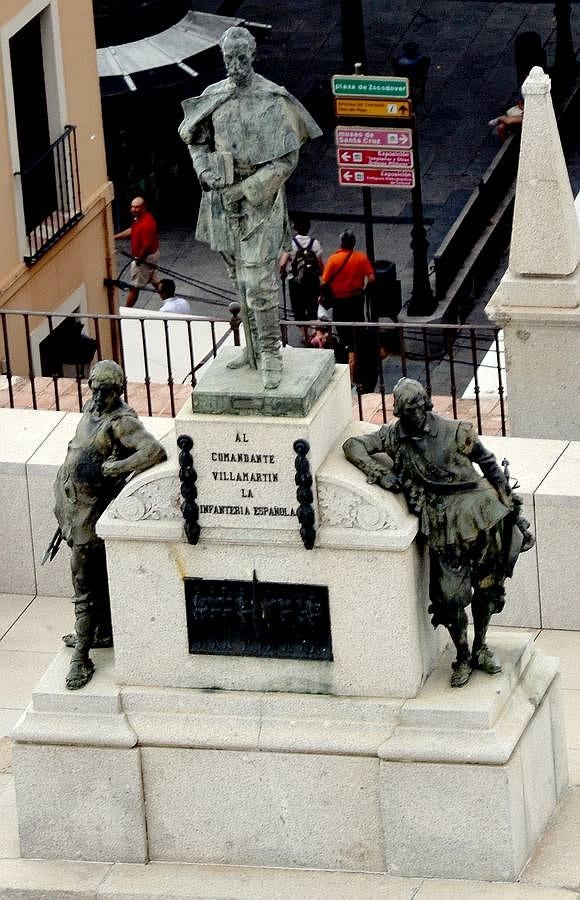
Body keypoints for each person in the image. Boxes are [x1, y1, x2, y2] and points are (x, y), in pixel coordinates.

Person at [343, 377, 534, 688]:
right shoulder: (394, 436)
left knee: (488, 586)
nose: (417, 414)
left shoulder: (455, 431)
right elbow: (353, 445)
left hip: (482, 514)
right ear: (399, 412)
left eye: (420, 407)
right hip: (443, 524)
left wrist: (509, 504)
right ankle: (462, 655)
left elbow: (488, 463)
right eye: (409, 410)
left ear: (427, 404)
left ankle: (480, 647)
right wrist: (379, 473)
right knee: (449, 597)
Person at [178, 26, 321, 390]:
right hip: (220, 199)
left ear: (253, 56)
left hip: (260, 200)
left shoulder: (273, 98)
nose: (236, 66)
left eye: (241, 58)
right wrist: (203, 170)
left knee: (259, 282)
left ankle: (271, 352)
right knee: (237, 279)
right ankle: (253, 350)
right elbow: (197, 140)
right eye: (229, 59)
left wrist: (244, 189)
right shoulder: (214, 96)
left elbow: (286, 161)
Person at [53, 360, 167, 690]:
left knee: (83, 584)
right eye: (95, 390)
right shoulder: (92, 409)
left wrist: (116, 468)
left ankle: (81, 657)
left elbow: (153, 451)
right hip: (72, 510)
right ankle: (100, 631)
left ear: (118, 390)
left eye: (105, 392)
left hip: (91, 517)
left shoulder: (121, 421)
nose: (98, 398)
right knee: (95, 579)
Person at [319, 230, 375, 378]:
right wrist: (364, 290)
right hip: (356, 300)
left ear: (341, 243)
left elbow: (323, 282)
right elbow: (371, 278)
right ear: (353, 243)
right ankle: (356, 358)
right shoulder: (361, 258)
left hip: (339, 302)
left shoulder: (333, 260)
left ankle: (350, 363)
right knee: (357, 331)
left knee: (344, 333)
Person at [279, 214, 324, 345]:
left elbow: (282, 263)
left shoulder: (291, 243)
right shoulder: (314, 243)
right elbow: (320, 263)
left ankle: (304, 335)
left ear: (295, 228)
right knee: (313, 307)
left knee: (298, 308)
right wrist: (322, 277)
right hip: (312, 281)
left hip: (295, 282)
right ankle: (315, 334)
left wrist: (283, 271)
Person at [114, 197, 160, 308]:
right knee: (153, 279)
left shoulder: (145, 225)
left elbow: (147, 247)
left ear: (143, 208)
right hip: (151, 256)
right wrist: (115, 237)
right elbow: (132, 230)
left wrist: (139, 260)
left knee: (134, 286)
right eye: (132, 207)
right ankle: (170, 298)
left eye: (136, 207)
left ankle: (126, 311)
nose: (133, 209)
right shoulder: (141, 218)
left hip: (144, 258)